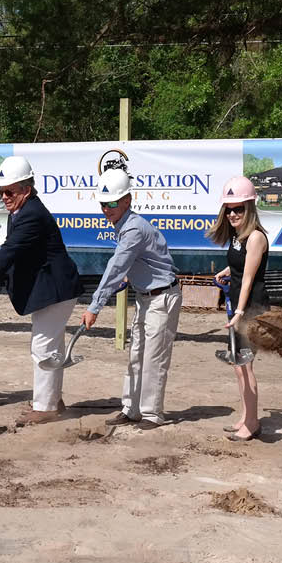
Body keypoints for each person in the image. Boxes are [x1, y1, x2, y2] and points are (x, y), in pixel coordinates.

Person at [0, 155, 83, 426]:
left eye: (9, 191)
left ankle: (45, 408)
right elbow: (14, 247)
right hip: (52, 288)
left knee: (43, 347)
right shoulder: (20, 211)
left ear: (26, 190)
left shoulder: (31, 214)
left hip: (56, 289)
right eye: (1, 191)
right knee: (50, 346)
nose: (4, 196)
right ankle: (53, 400)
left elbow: (11, 249)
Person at [82, 168, 181, 430]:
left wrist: (95, 306)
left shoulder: (134, 229)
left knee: (154, 357)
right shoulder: (125, 225)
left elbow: (116, 266)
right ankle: (131, 409)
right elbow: (140, 262)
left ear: (127, 200)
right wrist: (133, 277)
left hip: (162, 297)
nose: (106, 209)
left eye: (112, 203)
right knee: (136, 354)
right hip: (146, 296)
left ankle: (151, 414)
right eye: (103, 204)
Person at [206, 176, 269, 441]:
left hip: (250, 308)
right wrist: (224, 271)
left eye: (238, 208)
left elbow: (248, 279)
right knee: (237, 365)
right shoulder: (237, 236)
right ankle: (245, 416)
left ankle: (253, 422)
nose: (232, 214)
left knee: (245, 365)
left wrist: (240, 313)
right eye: (229, 209)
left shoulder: (255, 238)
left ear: (250, 208)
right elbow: (238, 267)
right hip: (237, 305)